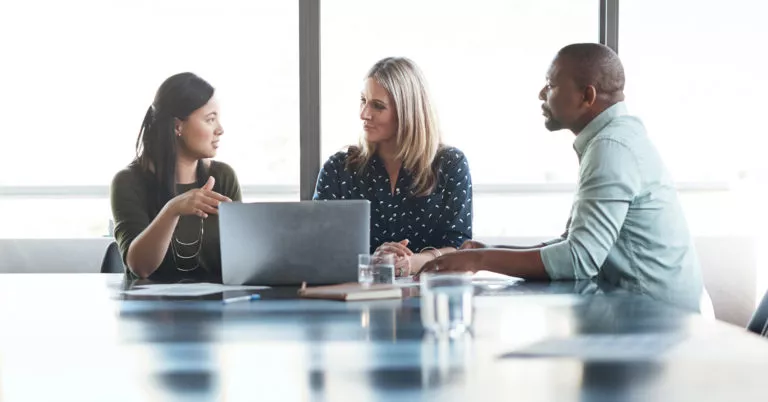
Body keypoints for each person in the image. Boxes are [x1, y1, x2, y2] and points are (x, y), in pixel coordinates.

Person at [419, 43, 704, 312]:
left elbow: (579, 259)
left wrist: (479, 259)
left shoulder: (611, 148)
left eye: (552, 84)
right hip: (643, 310)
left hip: (657, 320)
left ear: (587, 96)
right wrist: (491, 251)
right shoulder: (615, 139)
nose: (542, 93)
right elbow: (574, 242)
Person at [314, 57, 472, 277]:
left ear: (407, 112)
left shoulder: (450, 164)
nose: (364, 114)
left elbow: (460, 247)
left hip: (427, 298)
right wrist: (373, 261)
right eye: (363, 100)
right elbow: (317, 247)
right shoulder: (338, 169)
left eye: (378, 106)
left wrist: (414, 262)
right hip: (356, 297)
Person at [111, 72, 241, 282]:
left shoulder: (222, 177)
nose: (220, 130)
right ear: (177, 126)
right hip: (150, 309)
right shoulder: (128, 182)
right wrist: (173, 209)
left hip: (215, 307)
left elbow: (240, 258)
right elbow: (140, 268)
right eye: (210, 120)